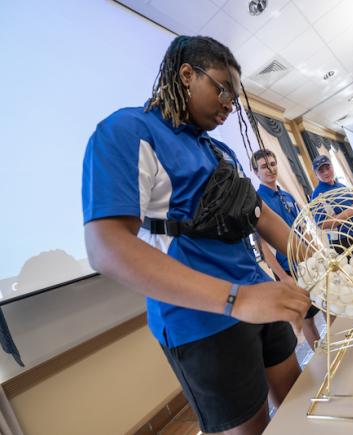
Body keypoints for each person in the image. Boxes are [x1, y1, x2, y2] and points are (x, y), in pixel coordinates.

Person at [82, 36, 311, 435]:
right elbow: (107, 246)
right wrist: (236, 299)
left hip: (259, 296)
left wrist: (321, 259)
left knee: (298, 402)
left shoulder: (221, 151)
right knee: (251, 427)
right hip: (203, 319)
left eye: (234, 98)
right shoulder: (129, 130)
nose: (228, 104)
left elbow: (261, 215)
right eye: (222, 89)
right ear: (187, 74)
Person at [251, 149, 321, 350]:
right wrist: (283, 277)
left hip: (308, 262)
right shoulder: (258, 202)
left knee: (327, 303)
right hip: (287, 268)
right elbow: (262, 245)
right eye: (264, 166)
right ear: (256, 172)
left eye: (273, 164)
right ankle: (323, 355)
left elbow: (303, 229)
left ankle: (335, 345)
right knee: (307, 317)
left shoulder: (287, 196)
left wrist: (318, 256)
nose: (270, 169)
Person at [311, 156, 353, 260]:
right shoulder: (317, 195)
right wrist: (350, 211)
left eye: (327, 168)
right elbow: (322, 224)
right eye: (321, 171)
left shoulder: (341, 186)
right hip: (343, 241)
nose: (326, 173)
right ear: (316, 174)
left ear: (332, 167)